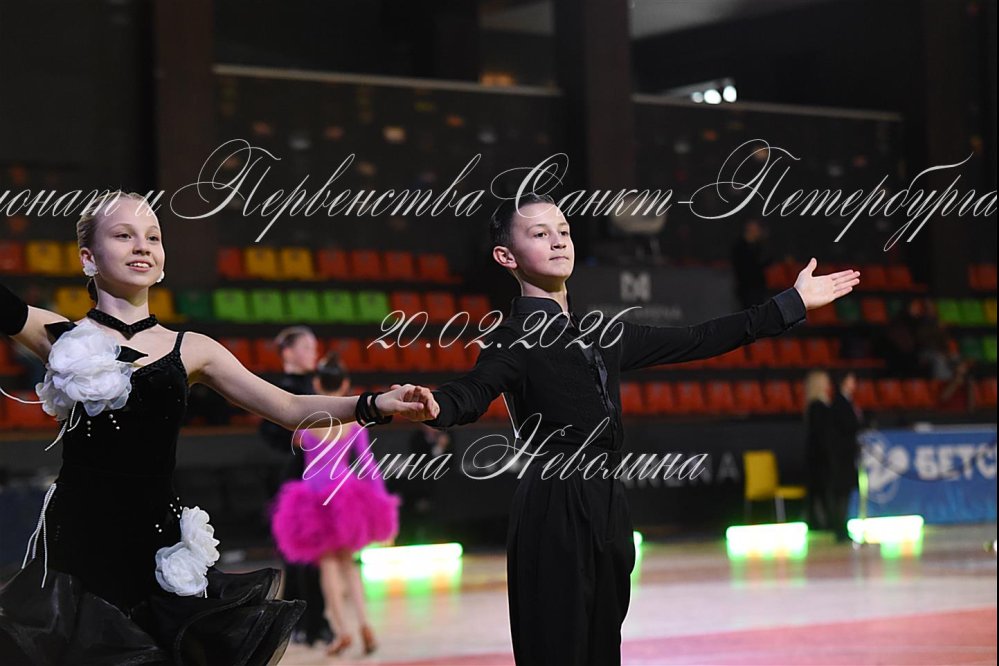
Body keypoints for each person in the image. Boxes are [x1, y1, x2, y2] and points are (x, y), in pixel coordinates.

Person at [0, 191, 438, 665]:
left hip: (156, 541)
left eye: (153, 237)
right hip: (78, 539)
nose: (142, 246)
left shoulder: (193, 348)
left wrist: (376, 404)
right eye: (123, 235)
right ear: (88, 257)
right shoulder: (63, 337)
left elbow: (290, 407)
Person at [423, 193, 861, 666]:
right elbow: (472, 392)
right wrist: (431, 405)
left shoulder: (600, 332)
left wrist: (790, 304)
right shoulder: (512, 340)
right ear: (506, 256)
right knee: (556, 649)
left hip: (609, 500)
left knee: (603, 649)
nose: (558, 242)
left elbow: (698, 338)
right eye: (540, 234)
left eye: (564, 231)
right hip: (555, 503)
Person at [270, 352, 399, 657]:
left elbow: (296, 441)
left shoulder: (308, 420)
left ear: (316, 383)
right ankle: (364, 623)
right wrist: (382, 503)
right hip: (345, 495)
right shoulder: (353, 422)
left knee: (328, 566)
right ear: (344, 385)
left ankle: (342, 630)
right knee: (349, 565)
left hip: (314, 498)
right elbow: (367, 464)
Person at [258, 325, 333, 648]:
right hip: (293, 481)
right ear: (287, 352)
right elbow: (268, 433)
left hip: (319, 480)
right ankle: (306, 621)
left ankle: (311, 620)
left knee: (316, 554)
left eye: (314, 347)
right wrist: (295, 438)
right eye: (306, 347)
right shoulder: (278, 389)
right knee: (299, 553)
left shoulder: (317, 386)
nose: (313, 353)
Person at [828, 371, 863, 542]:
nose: (853, 384)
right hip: (842, 456)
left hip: (848, 455)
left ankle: (842, 527)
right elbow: (846, 426)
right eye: (850, 380)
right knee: (842, 492)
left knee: (846, 492)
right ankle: (839, 529)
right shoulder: (839, 403)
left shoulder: (848, 402)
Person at [803, 369, 834, 531]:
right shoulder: (817, 406)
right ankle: (821, 522)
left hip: (817, 455)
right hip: (819, 456)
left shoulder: (818, 405)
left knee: (819, 490)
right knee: (820, 490)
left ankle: (820, 521)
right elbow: (821, 434)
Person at [730, 218, 772, 310]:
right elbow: (745, 266)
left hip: (757, 286)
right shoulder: (740, 247)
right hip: (745, 286)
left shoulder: (758, 246)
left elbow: (766, 262)